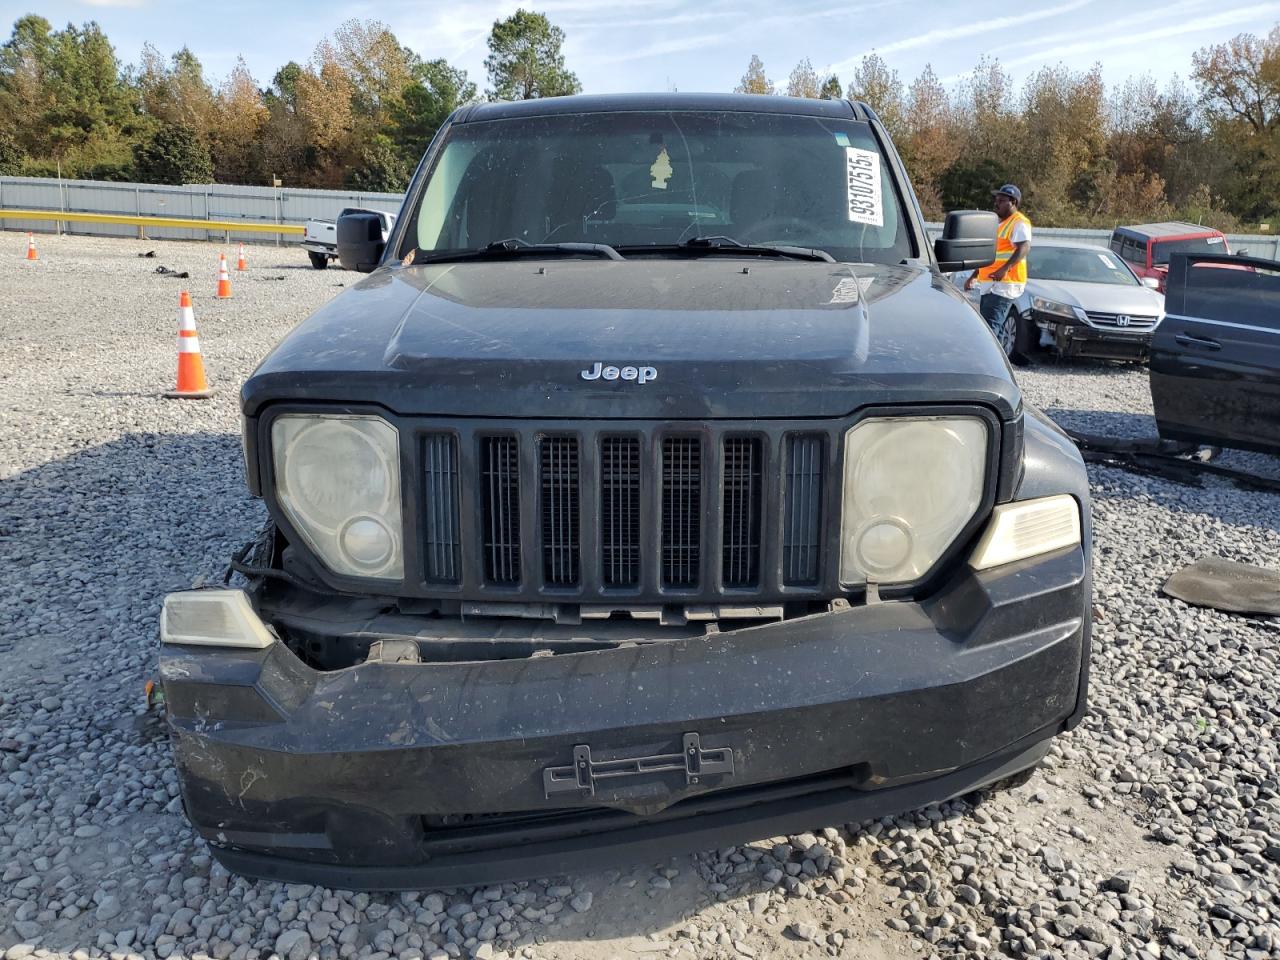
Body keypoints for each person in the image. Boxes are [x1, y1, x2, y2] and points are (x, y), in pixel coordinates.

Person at [965, 184, 1032, 363]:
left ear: (1013, 202)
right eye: (996, 200)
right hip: (991, 283)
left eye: (1001, 201)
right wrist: (974, 276)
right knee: (995, 329)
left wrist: (1004, 269)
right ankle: (997, 364)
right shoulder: (999, 224)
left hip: (1005, 283)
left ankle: (984, 365)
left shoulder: (1019, 222)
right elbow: (991, 254)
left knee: (989, 327)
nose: (997, 204)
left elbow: (1024, 247)